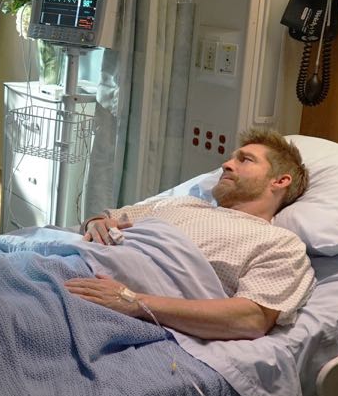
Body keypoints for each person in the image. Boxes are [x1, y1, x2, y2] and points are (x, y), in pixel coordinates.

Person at [64, 129, 314, 340]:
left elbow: (251, 319)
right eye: (231, 159)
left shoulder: (280, 244)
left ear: (280, 181)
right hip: (75, 262)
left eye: (245, 160)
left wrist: (134, 301)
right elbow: (106, 217)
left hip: (96, 295)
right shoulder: (183, 203)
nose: (226, 165)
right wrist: (94, 223)